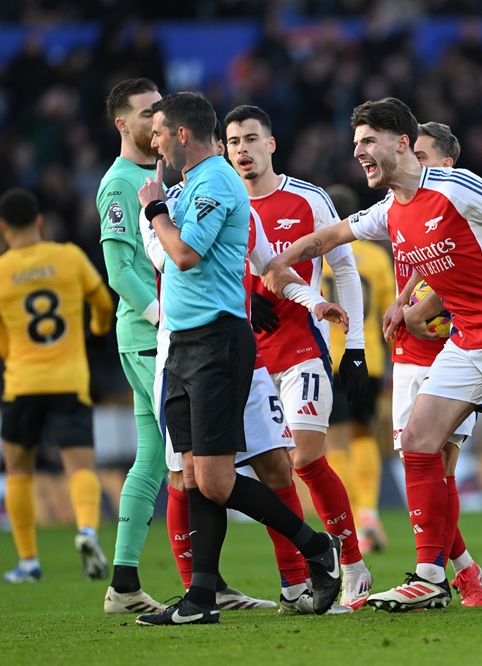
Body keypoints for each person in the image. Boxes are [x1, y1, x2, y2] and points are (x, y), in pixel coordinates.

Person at [263, 97, 482, 612]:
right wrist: (281, 258)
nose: (358, 151)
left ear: (402, 143)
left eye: (368, 141)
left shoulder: (457, 186)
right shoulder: (390, 209)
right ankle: (432, 576)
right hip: (465, 339)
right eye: (356, 142)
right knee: (417, 439)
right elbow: (332, 234)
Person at [132, 91, 341, 626]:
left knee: (218, 480)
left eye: (158, 131)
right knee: (198, 477)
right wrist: (156, 212)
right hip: (181, 344)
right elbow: (172, 253)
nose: (152, 141)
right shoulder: (188, 187)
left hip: (217, 343)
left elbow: (183, 254)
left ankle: (316, 548)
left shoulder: (216, 182)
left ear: (180, 134)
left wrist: (153, 209)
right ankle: (201, 598)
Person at [223, 104, 373, 611]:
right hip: (245, 357)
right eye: (233, 142)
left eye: (250, 139)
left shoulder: (308, 198)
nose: (242, 150)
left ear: (271, 144)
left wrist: (354, 349)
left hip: (301, 349)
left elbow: (345, 270)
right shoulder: (220, 201)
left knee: (305, 458)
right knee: (273, 473)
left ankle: (352, 565)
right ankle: (296, 582)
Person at [0, 188, 114, 583]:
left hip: (21, 382)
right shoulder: (68, 257)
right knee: (79, 466)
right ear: (39, 221)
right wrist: (96, 328)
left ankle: (28, 562)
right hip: (70, 380)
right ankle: (87, 530)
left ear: (3, 228)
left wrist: (11, 353)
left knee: (18, 470)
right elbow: (102, 302)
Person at [382, 121, 482, 607]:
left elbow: (462, 270)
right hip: (408, 349)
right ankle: (463, 569)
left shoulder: (460, 202)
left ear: (447, 163)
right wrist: (403, 304)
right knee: (421, 465)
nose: (414, 164)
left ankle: (447, 575)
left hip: (453, 349)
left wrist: (421, 306)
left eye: (423, 156)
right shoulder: (401, 202)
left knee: (441, 464)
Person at [96, 78, 169, 613]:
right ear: (122, 124)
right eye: (147, 113)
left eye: (160, 110)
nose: (156, 121)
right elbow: (120, 271)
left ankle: (123, 585)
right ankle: (206, 583)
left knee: (152, 459)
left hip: (155, 335)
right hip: (151, 335)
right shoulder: (121, 182)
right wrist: (166, 318)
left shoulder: (163, 175)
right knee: (189, 453)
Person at [320, 182, 394, 556]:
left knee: (336, 441)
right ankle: (368, 513)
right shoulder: (377, 258)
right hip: (370, 360)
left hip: (333, 358)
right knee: (365, 436)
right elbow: (388, 310)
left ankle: (352, 524)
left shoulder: (320, 256)